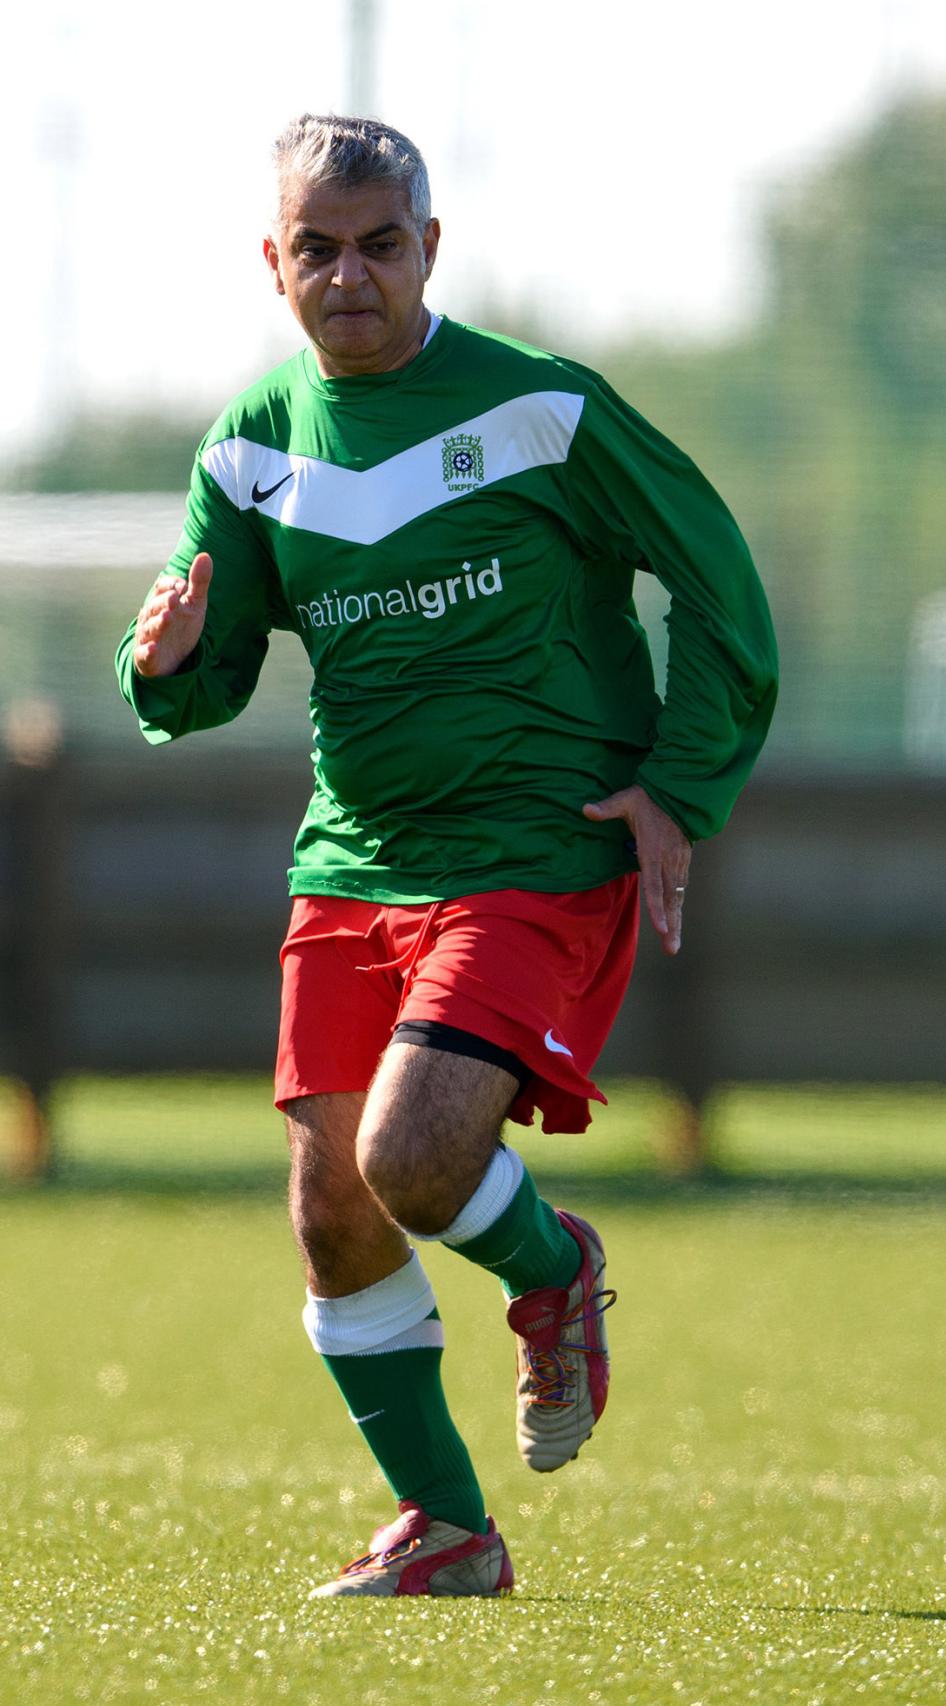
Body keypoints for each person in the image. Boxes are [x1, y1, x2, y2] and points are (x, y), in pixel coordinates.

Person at [117, 114, 777, 1599]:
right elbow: (208, 672)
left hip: (533, 849)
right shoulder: (251, 443)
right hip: (354, 855)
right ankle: (448, 1528)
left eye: (381, 244)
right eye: (318, 248)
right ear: (272, 260)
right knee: (331, 1208)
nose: (350, 275)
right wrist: (161, 661)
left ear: (430, 249)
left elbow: (718, 582)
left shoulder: (545, 408)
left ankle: (553, 1274)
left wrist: (680, 779)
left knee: (412, 1155)